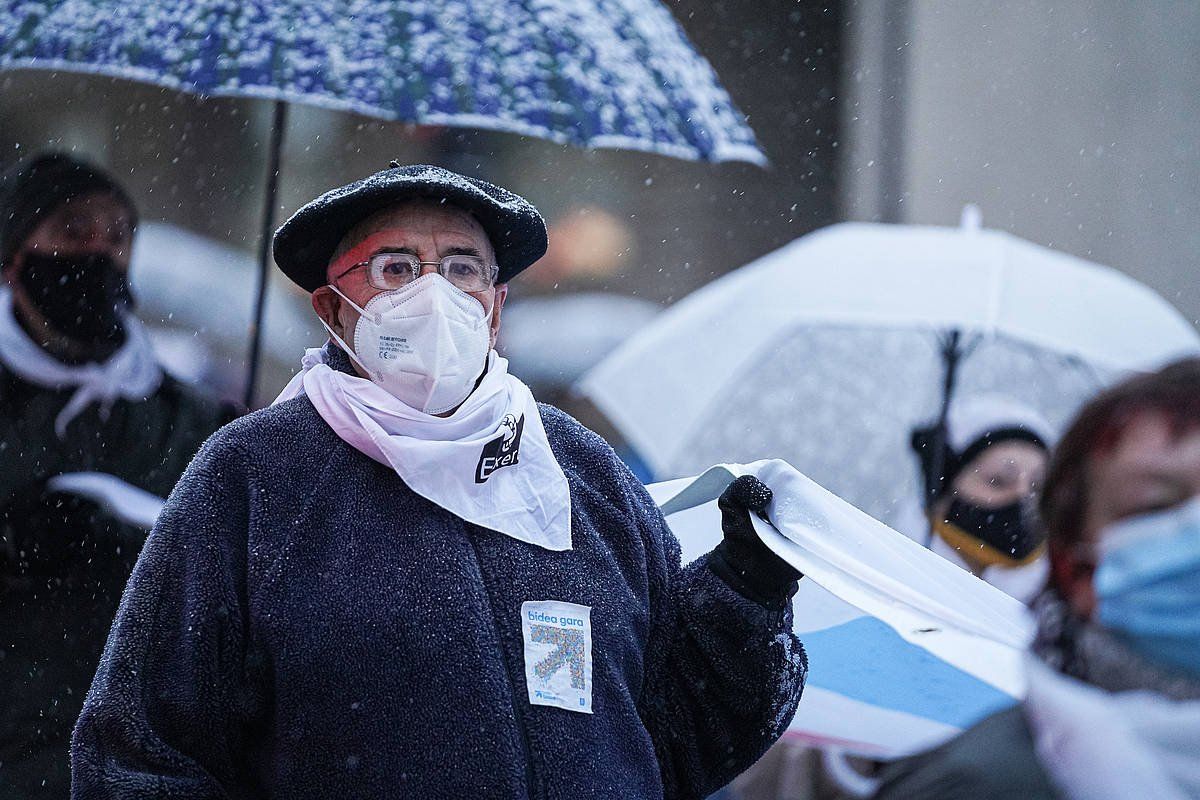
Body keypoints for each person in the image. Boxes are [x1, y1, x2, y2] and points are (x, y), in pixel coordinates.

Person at [71, 163, 809, 799]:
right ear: (333, 308)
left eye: (462, 269)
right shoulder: (255, 476)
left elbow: (678, 742)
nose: (435, 297)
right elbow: (139, 754)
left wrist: (743, 598)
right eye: (396, 268)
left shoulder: (580, 472)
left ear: (495, 306)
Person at [0, 153, 237, 796]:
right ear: (16, 255)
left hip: (147, 763)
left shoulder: (198, 421)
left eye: (118, 235)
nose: (100, 251)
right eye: (74, 231)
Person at [873, 359, 1200, 800]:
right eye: (1155, 505)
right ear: (1074, 561)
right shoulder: (983, 782)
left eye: (1033, 486)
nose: (1017, 502)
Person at [908, 395, 1053, 603]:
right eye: (999, 480)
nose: (1022, 497)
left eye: (1037, 487)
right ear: (942, 487)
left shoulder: (1053, 613)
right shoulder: (879, 578)